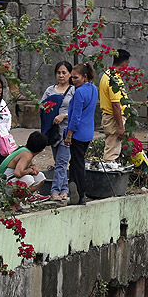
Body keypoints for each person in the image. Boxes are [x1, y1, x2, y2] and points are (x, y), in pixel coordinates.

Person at [40, 61, 74, 203]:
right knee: (59, 161)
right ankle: (64, 189)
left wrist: (63, 115)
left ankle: (55, 190)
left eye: (64, 72)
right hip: (53, 132)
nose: (61, 75)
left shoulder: (73, 90)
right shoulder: (50, 90)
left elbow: (77, 110)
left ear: (70, 74)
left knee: (61, 161)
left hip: (66, 131)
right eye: (59, 72)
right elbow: (42, 107)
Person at [64, 62, 97, 206]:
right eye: (72, 78)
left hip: (77, 133)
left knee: (77, 164)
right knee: (77, 161)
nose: (73, 80)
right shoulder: (93, 89)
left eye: (76, 78)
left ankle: (79, 192)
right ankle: (76, 189)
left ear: (84, 77)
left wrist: (69, 134)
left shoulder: (79, 92)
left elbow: (76, 117)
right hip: (88, 132)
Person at [0, 130, 50, 206]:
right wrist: (30, 170)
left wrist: (34, 168)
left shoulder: (25, 150)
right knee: (28, 179)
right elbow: (18, 173)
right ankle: (12, 204)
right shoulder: (26, 154)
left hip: (7, 186)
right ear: (40, 149)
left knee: (40, 177)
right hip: (2, 190)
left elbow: (33, 168)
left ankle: (20, 200)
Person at [99, 49, 129, 163]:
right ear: (124, 63)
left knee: (112, 147)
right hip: (113, 118)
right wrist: (120, 127)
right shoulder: (114, 79)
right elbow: (115, 105)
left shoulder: (107, 74)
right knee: (111, 152)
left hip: (110, 117)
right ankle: (108, 176)